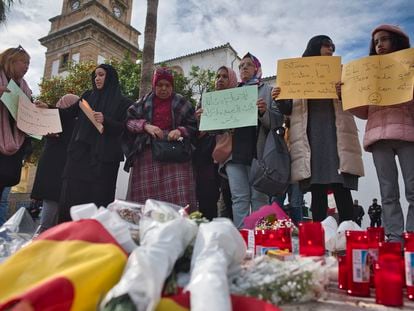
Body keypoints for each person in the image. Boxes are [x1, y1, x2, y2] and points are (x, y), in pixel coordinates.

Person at [273, 35, 364, 224]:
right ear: (314, 47)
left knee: (342, 186)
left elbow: (356, 102)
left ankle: (348, 233)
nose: (330, 49)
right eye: (326, 45)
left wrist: (344, 93)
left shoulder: (342, 72)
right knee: (317, 188)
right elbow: (288, 110)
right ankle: (320, 236)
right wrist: (279, 99)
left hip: (337, 135)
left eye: (332, 46)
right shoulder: (298, 73)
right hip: (311, 138)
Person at [348, 24, 413, 242]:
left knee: (413, 189)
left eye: (384, 39)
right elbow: (364, 111)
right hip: (378, 138)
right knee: (388, 192)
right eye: (376, 42)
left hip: (408, 136)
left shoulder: (410, 68)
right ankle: (395, 239)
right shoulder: (368, 72)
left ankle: (411, 237)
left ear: (396, 41)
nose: (379, 45)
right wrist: (345, 95)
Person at [56, 64, 132, 222]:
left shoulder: (123, 102)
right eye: (95, 75)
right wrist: (47, 109)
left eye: (101, 75)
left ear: (110, 77)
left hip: (103, 162)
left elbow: (124, 128)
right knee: (71, 201)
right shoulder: (87, 97)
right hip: (79, 158)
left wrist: (106, 120)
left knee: (98, 203)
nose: (97, 78)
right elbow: (68, 113)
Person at [123, 68, 197, 208]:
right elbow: (128, 122)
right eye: (159, 85)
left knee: (178, 202)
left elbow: (193, 125)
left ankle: (180, 228)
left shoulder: (181, 102)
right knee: (146, 202)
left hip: (176, 157)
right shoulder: (143, 102)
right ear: (154, 85)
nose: (163, 88)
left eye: (167, 85)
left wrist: (179, 131)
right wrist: (145, 126)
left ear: (172, 86)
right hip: (147, 157)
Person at [226, 52, 283, 228]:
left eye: (248, 65)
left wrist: (264, 111)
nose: (243, 68)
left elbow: (278, 121)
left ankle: (262, 241)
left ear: (257, 68)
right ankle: (243, 243)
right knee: (239, 199)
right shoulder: (231, 94)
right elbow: (221, 124)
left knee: (260, 198)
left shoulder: (268, 90)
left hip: (259, 154)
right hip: (235, 155)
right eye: (241, 66)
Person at [194, 66, 238, 220]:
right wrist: (198, 119)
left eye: (225, 76)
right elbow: (195, 133)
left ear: (232, 80)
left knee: (231, 198)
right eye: (218, 76)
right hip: (207, 157)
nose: (220, 79)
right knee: (207, 199)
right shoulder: (206, 101)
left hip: (231, 157)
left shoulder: (239, 102)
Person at [31, 94, 79, 233]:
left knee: (47, 223)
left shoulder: (58, 121)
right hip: (58, 181)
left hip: (51, 181)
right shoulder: (72, 123)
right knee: (51, 224)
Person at [0, 46, 32, 202]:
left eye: (29, 64)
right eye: (23, 62)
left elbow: (30, 121)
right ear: (10, 60)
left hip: (12, 152)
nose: (26, 67)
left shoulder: (25, 89)